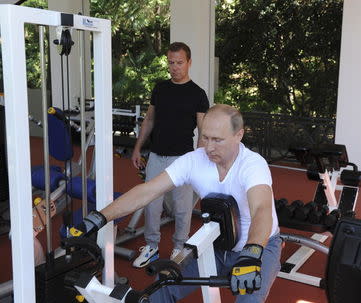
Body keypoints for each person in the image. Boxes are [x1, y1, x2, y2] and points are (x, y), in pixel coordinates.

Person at [74, 104, 282, 302]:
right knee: (163, 284)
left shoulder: (252, 164)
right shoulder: (194, 160)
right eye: (205, 137)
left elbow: (261, 209)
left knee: (250, 297)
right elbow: (148, 191)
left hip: (259, 246)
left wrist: (252, 252)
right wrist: (100, 216)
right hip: (216, 244)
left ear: (239, 135)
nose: (208, 147)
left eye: (217, 140)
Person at [130, 42, 210, 267]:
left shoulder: (198, 94)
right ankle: (152, 247)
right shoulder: (160, 89)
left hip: (183, 159)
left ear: (189, 63)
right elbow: (150, 120)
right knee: (151, 203)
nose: (175, 67)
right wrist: (138, 147)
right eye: (171, 63)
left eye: (179, 63)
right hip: (156, 155)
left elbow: (203, 130)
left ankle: (178, 247)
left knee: (182, 208)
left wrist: (200, 158)